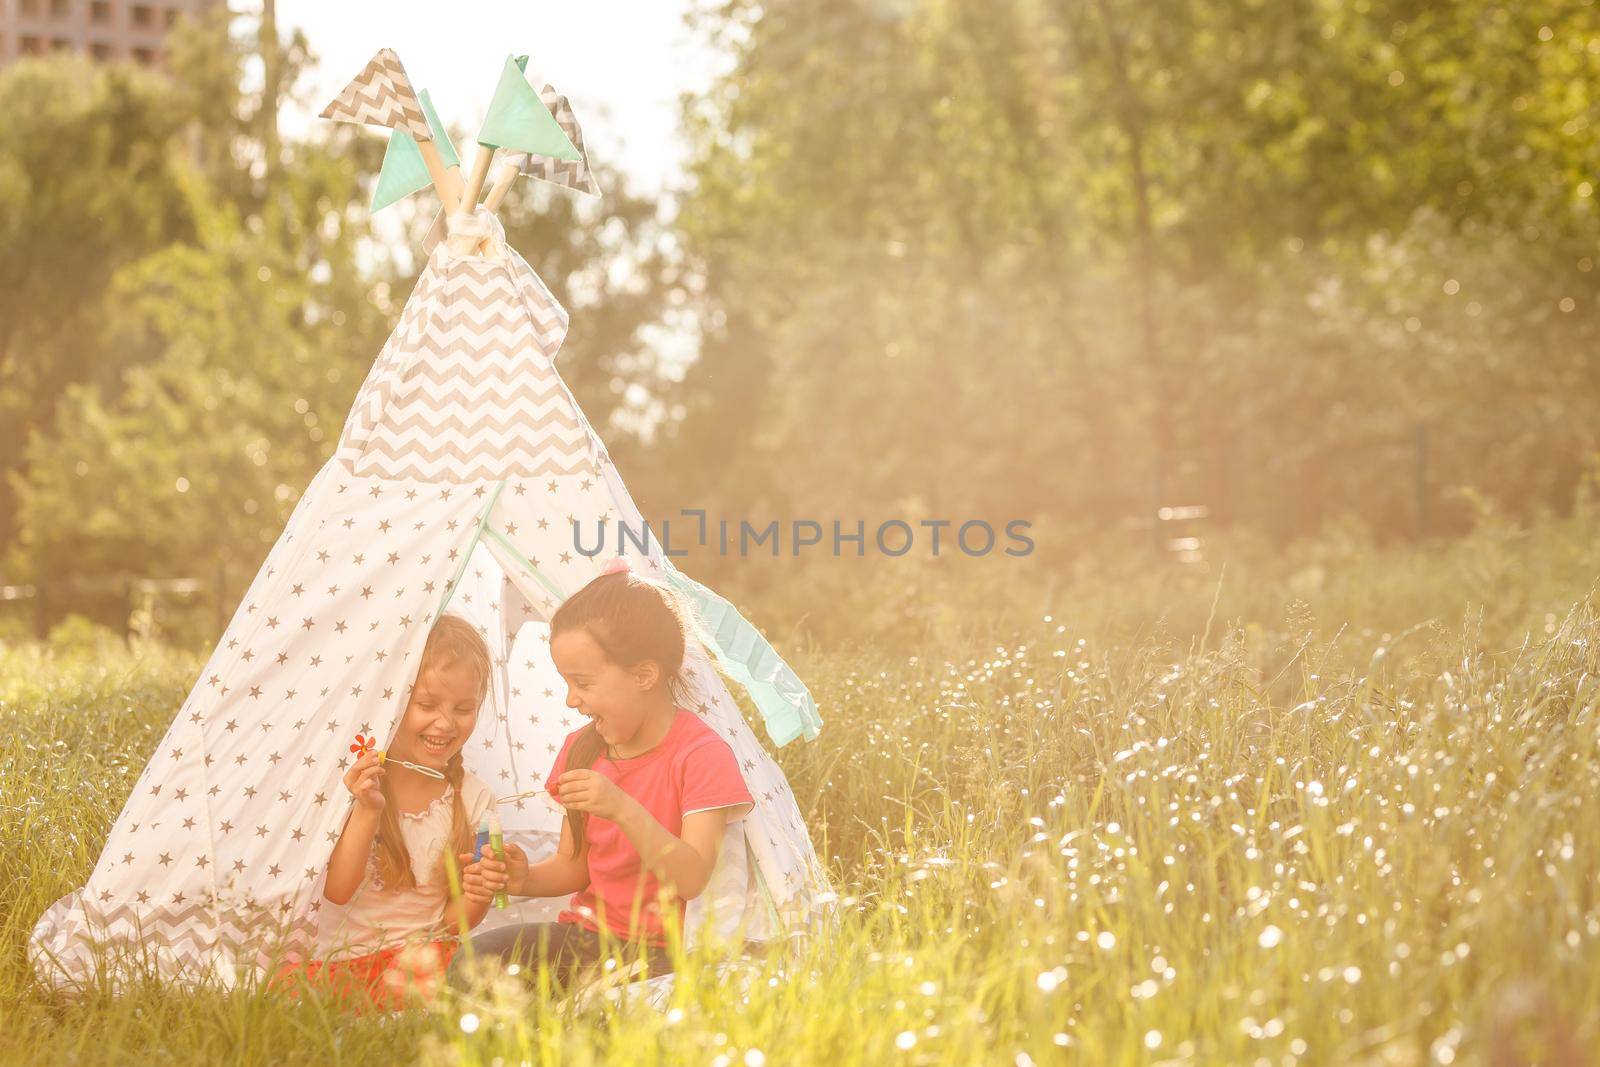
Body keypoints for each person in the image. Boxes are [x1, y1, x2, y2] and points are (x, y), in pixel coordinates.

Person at [453, 562, 753, 989]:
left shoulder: (702, 755)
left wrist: (620, 807)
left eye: (583, 683)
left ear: (644, 675)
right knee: (475, 960)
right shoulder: (582, 748)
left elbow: (692, 878)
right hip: (587, 939)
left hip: (664, 954)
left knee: (623, 1009)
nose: (572, 700)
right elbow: (574, 870)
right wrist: (524, 878)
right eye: (566, 683)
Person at [272, 614, 498, 1009]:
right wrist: (367, 810)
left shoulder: (476, 800)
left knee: (479, 977)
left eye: (464, 709)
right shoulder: (358, 781)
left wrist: (482, 892)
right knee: (287, 990)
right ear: (392, 699)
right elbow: (338, 890)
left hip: (424, 960)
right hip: (344, 962)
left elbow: (452, 922)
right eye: (426, 704)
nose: (445, 723)